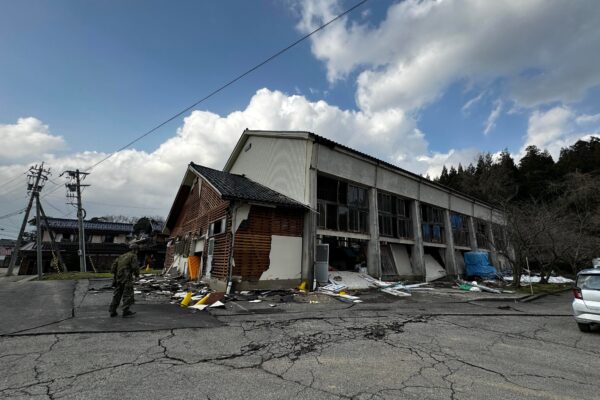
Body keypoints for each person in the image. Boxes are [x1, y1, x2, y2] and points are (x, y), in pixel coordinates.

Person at [109, 243, 140, 317]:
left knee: (117, 294)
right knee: (128, 294)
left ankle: (112, 311)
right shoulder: (133, 256)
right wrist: (137, 275)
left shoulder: (121, 256)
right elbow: (135, 267)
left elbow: (113, 268)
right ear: (135, 250)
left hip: (118, 278)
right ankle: (125, 311)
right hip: (126, 277)